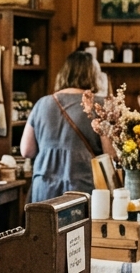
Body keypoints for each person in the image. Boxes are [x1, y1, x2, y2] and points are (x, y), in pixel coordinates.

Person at [20, 50, 114, 202]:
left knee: (43, 226)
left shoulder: (42, 103)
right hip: (82, 189)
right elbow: (110, 154)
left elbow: (26, 151)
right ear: (93, 75)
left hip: (44, 188)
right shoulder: (99, 105)